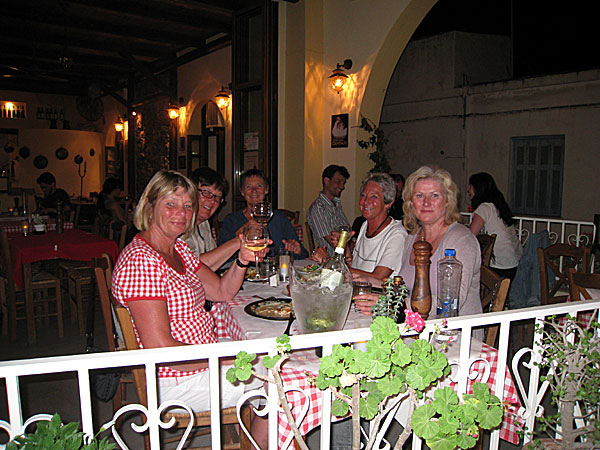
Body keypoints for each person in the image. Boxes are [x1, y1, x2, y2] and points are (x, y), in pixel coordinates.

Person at [111, 170, 267, 438]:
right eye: (170, 204)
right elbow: (161, 349)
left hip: (200, 357)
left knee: (271, 358)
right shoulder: (141, 262)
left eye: (186, 206)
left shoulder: (176, 248)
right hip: (173, 380)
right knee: (277, 380)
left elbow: (221, 290)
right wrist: (226, 360)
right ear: (149, 206)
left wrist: (242, 259)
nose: (180, 214)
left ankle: (258, 436)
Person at [354, 166, 482, 324]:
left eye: (434, 195)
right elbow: (404, 289)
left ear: (448, 201)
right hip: (413, 327)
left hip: (451, 335)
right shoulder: (413, 237)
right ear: (410, 203)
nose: (426, 202)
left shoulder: (461, 239)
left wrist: (395, 306)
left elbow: (450, 304)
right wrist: (366, 279)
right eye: (419, 196)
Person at [218, 168, 308, 259]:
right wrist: (240, 233)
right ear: (242, 192)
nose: (254, 190)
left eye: (259, 186)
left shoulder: (280, 219)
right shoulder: (232, 220)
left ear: (266, 190)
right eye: (249, 187)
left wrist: (297, 250)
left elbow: (303, 254)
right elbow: (220, 256)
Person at [348, 172, 407, 281]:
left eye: (374, 196)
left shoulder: (397, 234)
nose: (366, 201)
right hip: (357, 291)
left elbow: (378, 277)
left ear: (388, 203)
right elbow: (355, 267)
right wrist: (344, 246)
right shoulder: (365, 225)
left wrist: (331, 264)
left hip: (378, 295)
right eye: (363, 195)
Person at [183, 167, 241, 270]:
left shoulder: (204, 223)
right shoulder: (178, 224)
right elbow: (190, 267)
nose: (212, 201)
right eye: (206, 193)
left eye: (218, 196)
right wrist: (239, 242)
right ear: (191, 191)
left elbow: (214, 262)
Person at [467, 172, 522, 280]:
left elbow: (470, 235)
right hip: (514, 261)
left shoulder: (484, 208)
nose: (468, 189)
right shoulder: (497, 205)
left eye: (471, 186)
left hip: (500, 264)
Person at [306, 164, 350, 254]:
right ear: (326, 181)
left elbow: (347, 231)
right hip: (332, 259)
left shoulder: (336, 204)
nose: (342, 186)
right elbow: (332, 242)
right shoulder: (318, 208)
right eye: (338, 182)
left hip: (348, 253)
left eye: (343, 183)